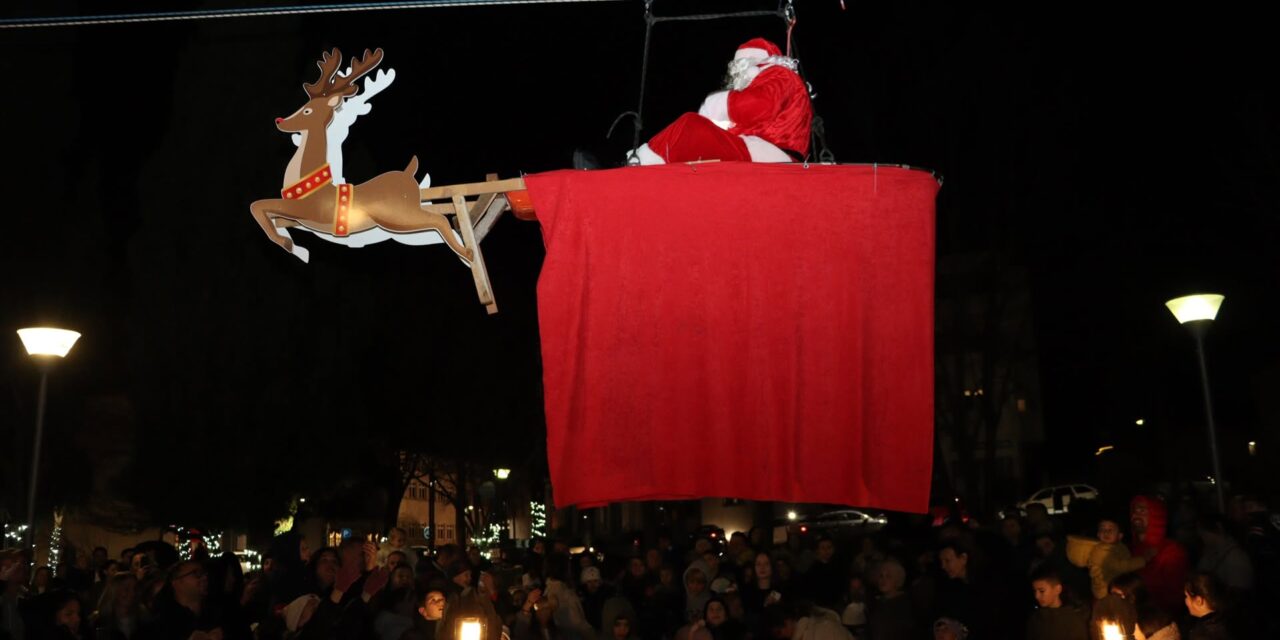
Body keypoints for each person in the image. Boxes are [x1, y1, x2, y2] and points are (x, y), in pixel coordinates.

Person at [632, 38, 812, 165]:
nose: (735, 74)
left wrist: (719, 104)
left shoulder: (778, 74)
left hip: (770, 153)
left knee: (690, 125)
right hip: (761, 150)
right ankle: (651, 162)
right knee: (696, 142)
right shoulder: (770, 80)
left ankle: (642, 160)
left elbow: (759, 105)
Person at [1129, 496, 1189, 613]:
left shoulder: (1172, 551)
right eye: (1134, 511)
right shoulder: (1129, 549)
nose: (1135, 515)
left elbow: (1175, 596)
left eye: (1142, 510)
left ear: (1155, 516)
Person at [1067, 516, 1146, 600]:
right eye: (1102, 529)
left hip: (1116, 586)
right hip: (1105, 592)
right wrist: (1144, 559)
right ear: (1098, 534)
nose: (1106, 532)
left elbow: (1126, 559)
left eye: (1110, 530)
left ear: (1120, 536)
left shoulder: (1119, 546)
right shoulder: (1101, 551)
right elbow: (1121, 566)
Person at [1025, 568, 1088, 640]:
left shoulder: (1073, 620)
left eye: (1041, 591)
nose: (1036, 596)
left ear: (1057, 589)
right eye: (1034, 591)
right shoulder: (1035, 619)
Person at [1195, 514, 1253, 591]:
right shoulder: (1209, 553)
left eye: (1204, 533)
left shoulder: (1235, 558)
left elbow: (1238, 594)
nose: (1202, 538)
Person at [865, 559, 913, 640]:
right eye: (881, 576)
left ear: (898, 580)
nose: (883, 580)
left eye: (888, 576)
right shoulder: (876, 603)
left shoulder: (905, 604)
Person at [92, 573, 141, 640]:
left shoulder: (143, 620)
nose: (132, 593)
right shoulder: (99, 623)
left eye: (134, 588)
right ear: (114, 591)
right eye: (126, 588)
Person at [1183, 572, 1231, 640]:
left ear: (1199, 601)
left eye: (1187, 596)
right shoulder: (1227, 622)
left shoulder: (1203, 635)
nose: (1185, 600)